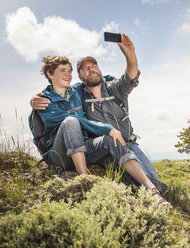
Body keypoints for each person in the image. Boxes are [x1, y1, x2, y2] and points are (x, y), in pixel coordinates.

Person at [31, 33, 170, 206]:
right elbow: (63, 98)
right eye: (84, 69)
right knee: (71, 121)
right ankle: (85, 180)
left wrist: (129, 54)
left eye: (69, 71)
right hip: (64, 152)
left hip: (115, 144)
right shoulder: (65, 95)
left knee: (155, 181)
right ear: (80, 77)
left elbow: (130, 76)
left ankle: (154, 192)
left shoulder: (99, 89)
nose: (68, 74)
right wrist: (106, 128)